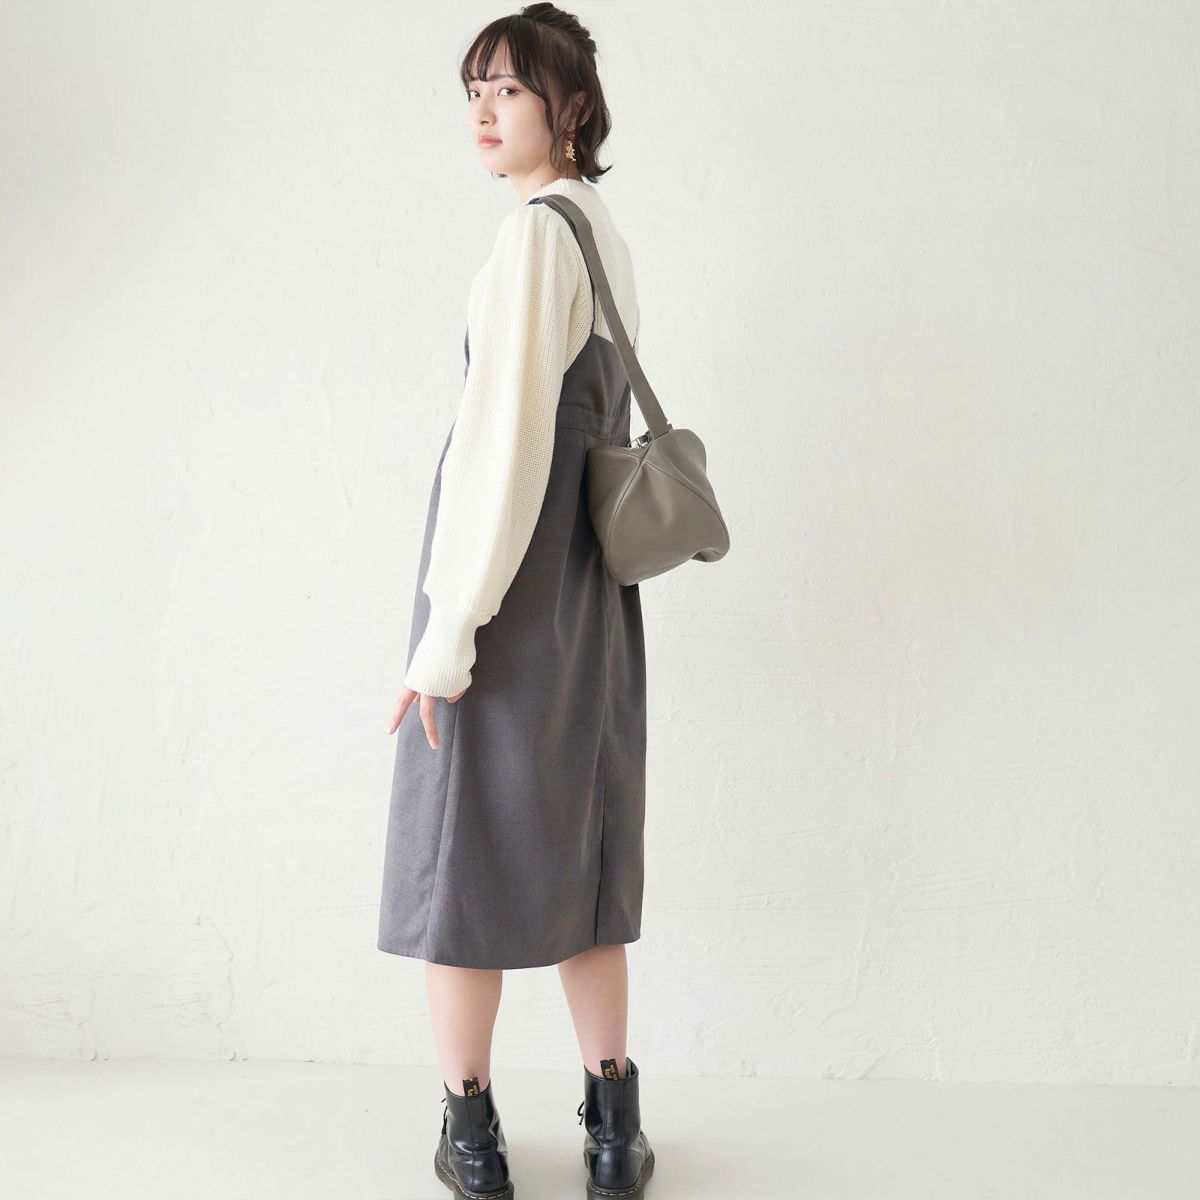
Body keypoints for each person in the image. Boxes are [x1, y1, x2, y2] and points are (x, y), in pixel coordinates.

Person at [377, 6, 655, 1198]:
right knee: (584, 855)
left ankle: (472, 1135)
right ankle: (613, 1133)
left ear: (570, 105)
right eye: (474, 92)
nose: (483, 112)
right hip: (587, 596)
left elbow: (501, 454)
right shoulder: (598, 230)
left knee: (462, 858)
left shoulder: (537, 236)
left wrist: (447, 638)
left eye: (508, 89)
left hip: (509, 597)